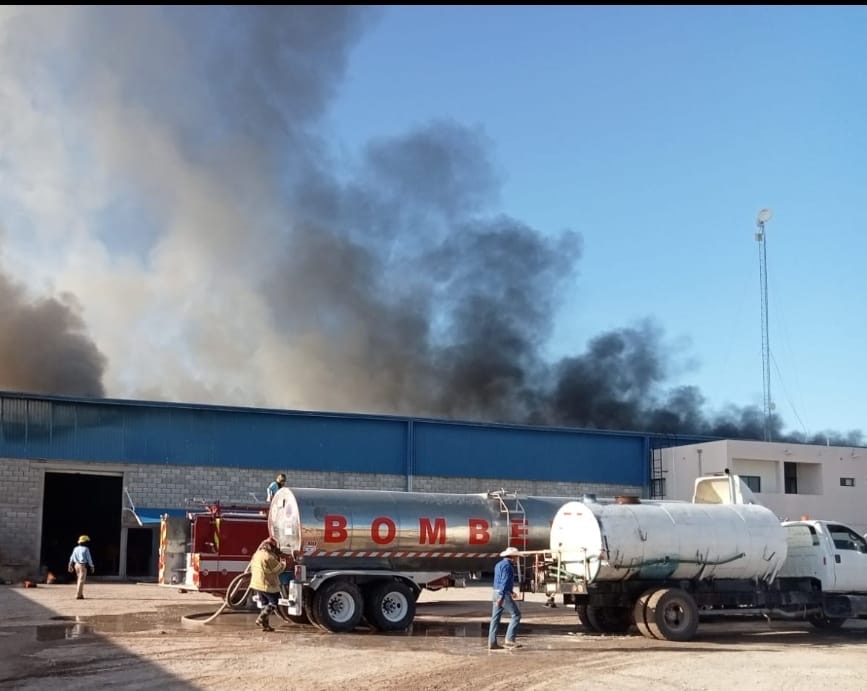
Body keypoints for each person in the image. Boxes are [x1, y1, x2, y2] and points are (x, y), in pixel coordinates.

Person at [487, 546, 522, 650]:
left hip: (495, 592)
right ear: (513, 557)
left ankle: (492, 643)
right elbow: (504, 581)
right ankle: (509, 640)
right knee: (516, 615)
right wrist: (502, 596)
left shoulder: (499, 564)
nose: (517, 559)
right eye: (517, 557)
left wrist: (511, 592)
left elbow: (499, 581)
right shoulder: (508, 566)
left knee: (495, 618)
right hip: (502, 594)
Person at [249, 537, 285, 631]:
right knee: (274, 603)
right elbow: (278, 570)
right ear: (270, 547)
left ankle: (265, 626)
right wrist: (284, 562)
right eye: (274, 547)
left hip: (257, 584)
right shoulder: (269, 557)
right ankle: (260, 618)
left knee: (265, 604)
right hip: (267, 584)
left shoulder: (257, 554)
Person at [68, 535, 95, 600]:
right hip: (82, 565)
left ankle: (80, 594)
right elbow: (89, 558)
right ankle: (78, 595)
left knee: (79, 580)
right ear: (84, 542)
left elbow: (71, 557)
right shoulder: (86, 549)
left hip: (76, 565)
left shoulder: (75, 548)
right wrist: (92, 566)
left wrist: (70, 565)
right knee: (81, 580)